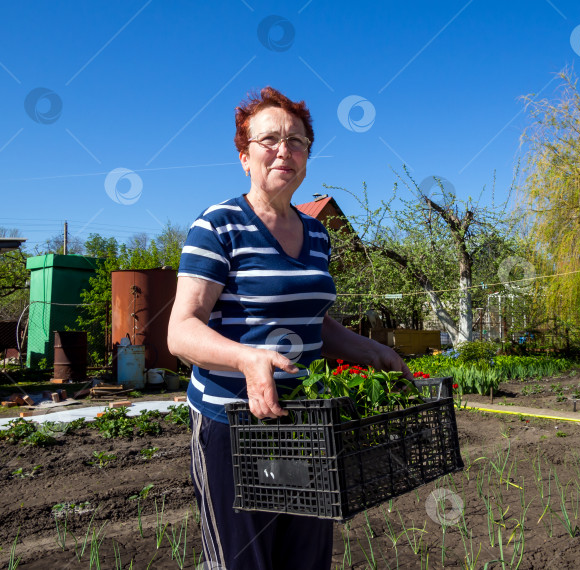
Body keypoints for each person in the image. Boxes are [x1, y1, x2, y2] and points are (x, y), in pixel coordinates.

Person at [167, 86, 411, 570]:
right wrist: (246, 358)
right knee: (245, 562)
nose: (285, 151)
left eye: (297, 141)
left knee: (305, 557)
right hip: (233, 422)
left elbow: (316, 323)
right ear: (244, 156)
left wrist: (374, 351)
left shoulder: (316, 232)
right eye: (270, 140)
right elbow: (181, 330)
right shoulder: (218, 226)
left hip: (304, 422)